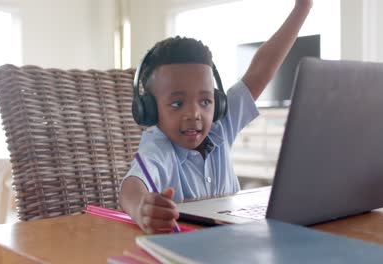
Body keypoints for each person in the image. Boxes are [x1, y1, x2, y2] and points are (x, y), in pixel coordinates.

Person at [119, 0, 313, 234]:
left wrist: (302, 9)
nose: (194, 114)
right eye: (177, 103)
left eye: (205, 101)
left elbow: (262, 69)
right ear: (149, 109)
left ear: (218, 103)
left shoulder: (220, 127)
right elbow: (130, 187)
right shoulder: (158, 145)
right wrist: (141, 207)